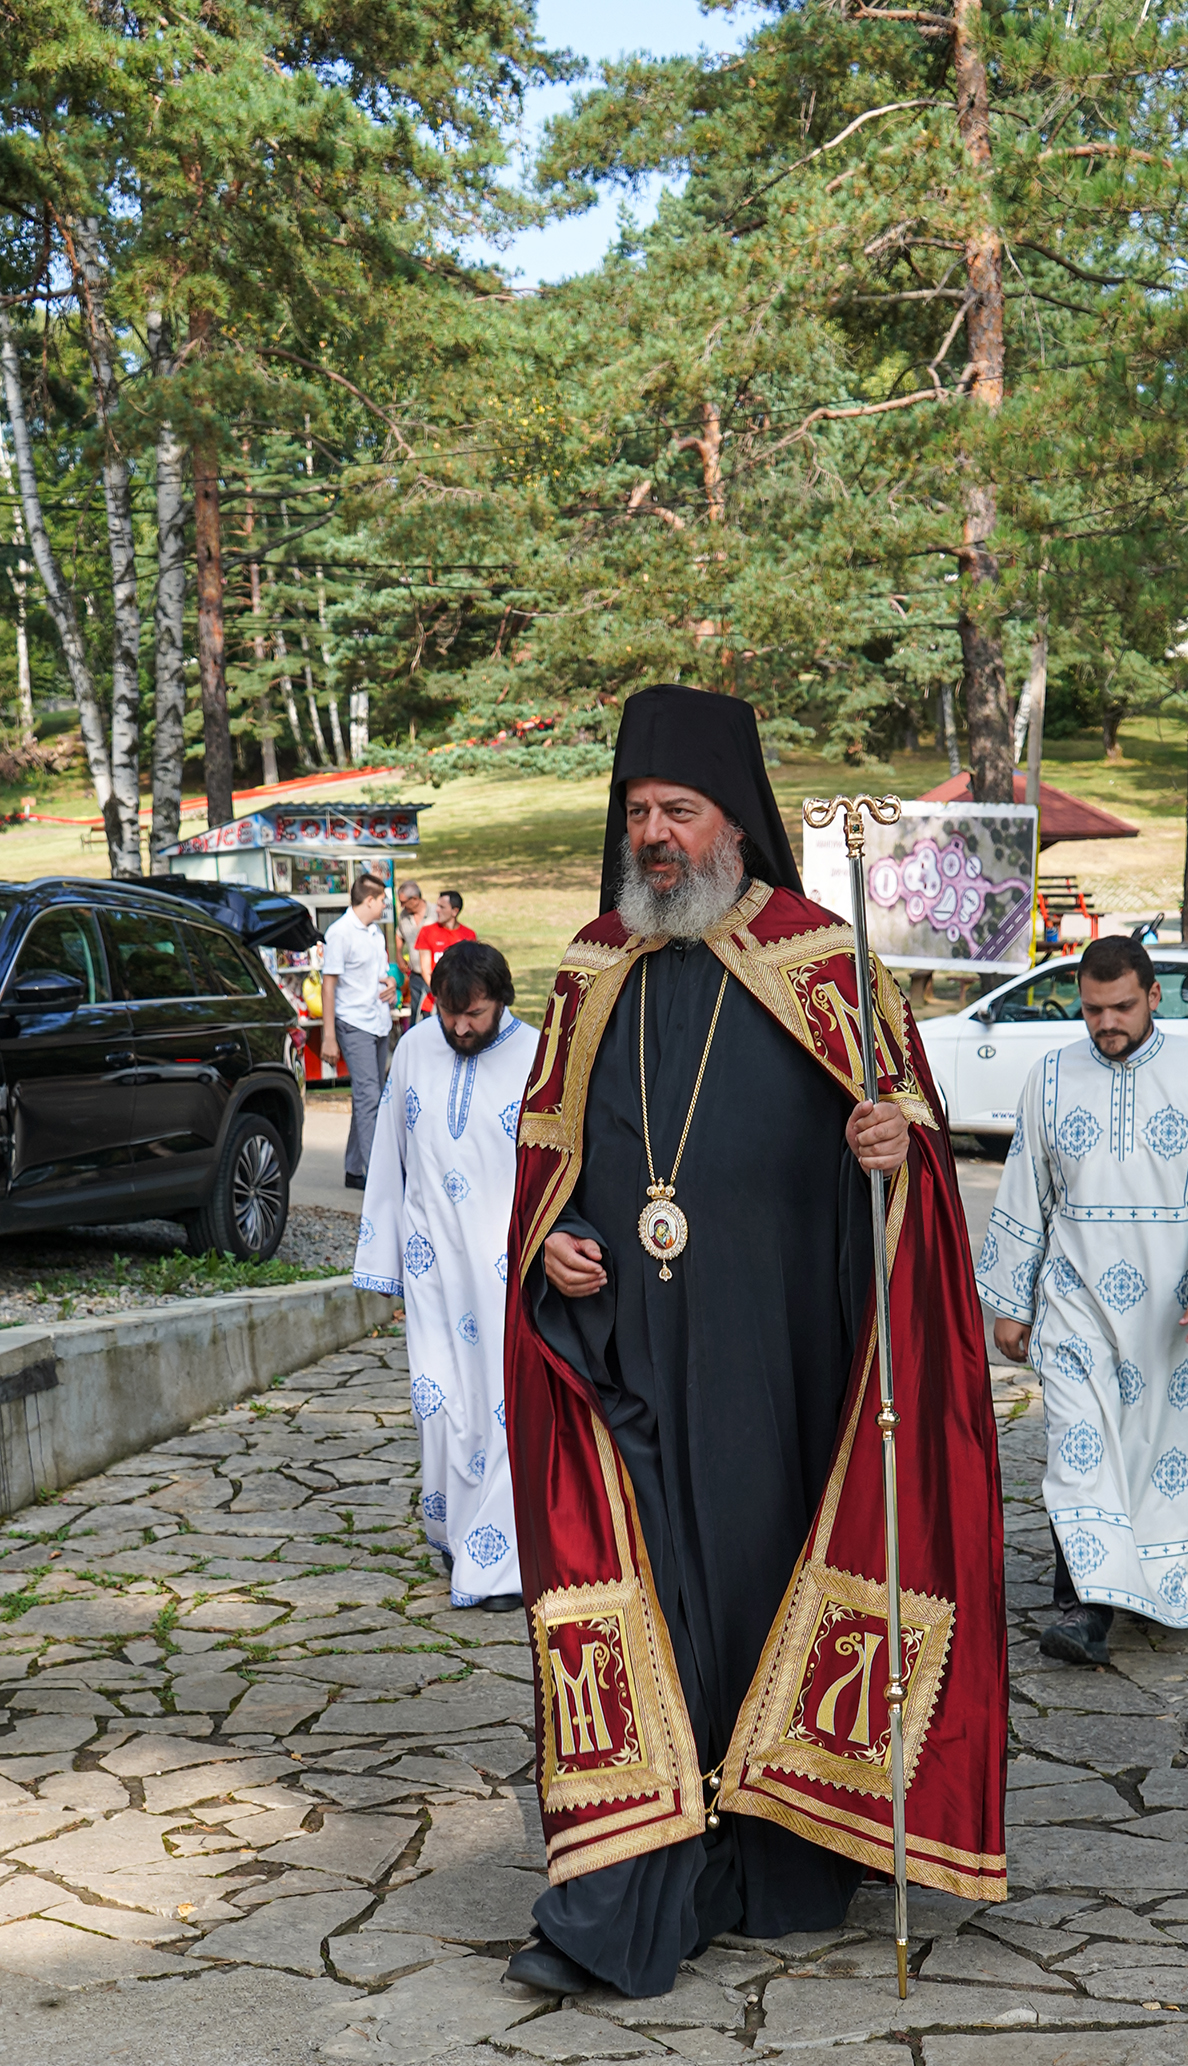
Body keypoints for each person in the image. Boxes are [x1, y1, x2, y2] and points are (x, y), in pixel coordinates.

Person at [502, 684, 1007, 2001]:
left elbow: (910, 1174)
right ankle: (622, 1902)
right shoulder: (590, 968)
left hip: (787, 1373)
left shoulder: (826, 965)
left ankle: (779, 1862)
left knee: (762, 1604)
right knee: (644, 1608)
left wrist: (892, 1153)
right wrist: (556, 1245)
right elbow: (548, 1166)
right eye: (636, 812)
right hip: (628, 1364)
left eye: (678, 809)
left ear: (735, 822)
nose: (653, 836)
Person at [976, 934, 1188, 1668]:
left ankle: (1141, 1580)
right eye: (1092, 1010)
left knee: (1153, 1451)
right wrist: (1012, 1300)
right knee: (1079, 1444)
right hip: (1075, 1297)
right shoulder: (1051, 1076)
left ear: (1152, 996)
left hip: (1173, 1310)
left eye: (1120, 1007)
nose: (1106, 1023)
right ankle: (1084, 1608)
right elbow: (1026, 1187)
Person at [354, 939, 538, 1609]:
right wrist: (383, 1262)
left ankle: (499, 1565)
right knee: (439, 1409)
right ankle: (457, 1537)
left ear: (501, 1002)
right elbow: (389, 1156)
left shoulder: (537, 1056)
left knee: (502, 1409)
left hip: (504, 1271)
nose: (460, 1027)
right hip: (430, 1266)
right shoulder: (413, 1049)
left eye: (475, 1014)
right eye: (449, 1012)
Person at [321, 872, 396, 1191]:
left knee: (369, 1098)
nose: (384, 906)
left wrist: (391, 983)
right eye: (382, 901)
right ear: (369, 900)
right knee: (370, 1097)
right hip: (353, 1024)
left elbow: (381, 974)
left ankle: (354, 1169)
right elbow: (328, 985)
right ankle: (379, 1177)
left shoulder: (375, 934)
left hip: (378, 1021)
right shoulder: (340, 933)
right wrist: (328, 1036)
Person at [413, 890, 476, 1015]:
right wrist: (441, 993)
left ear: (455, 911)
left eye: (442, 907)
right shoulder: (427, 932)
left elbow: (472, 970)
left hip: (460, 1000)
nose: (437, 910)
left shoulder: (469, 935)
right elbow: (425, 969)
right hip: (435, 999)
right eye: (437, 906)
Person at [397, 879, 437, 1028]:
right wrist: (399, 954)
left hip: (434, 974)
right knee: (416, 1014)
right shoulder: (403, 916)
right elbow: (399, 934)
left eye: (403, 902)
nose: (401, 906)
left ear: (415, 899)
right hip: (416, 974)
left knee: (433, 1014)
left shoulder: (435, 913)